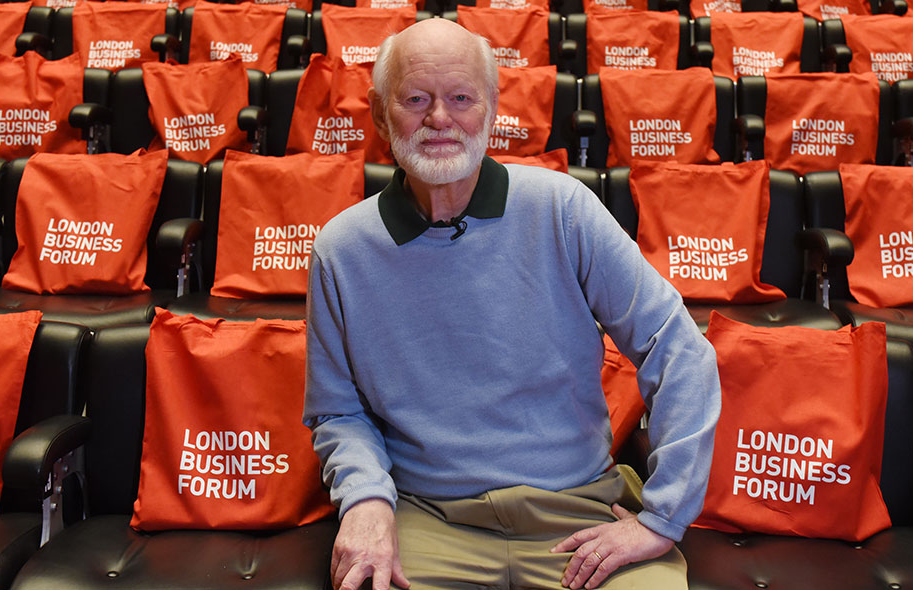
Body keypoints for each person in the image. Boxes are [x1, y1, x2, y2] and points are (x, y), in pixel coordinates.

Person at [304, 18, 721, 590]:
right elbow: (338, 412)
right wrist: (364, 500)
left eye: (460, 98)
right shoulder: (340, 251)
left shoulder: (563, 208)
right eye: (415, 99)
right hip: (429, 517)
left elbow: (678, 349)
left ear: (493, 109)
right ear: (380, 113)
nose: (439, 119)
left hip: (578, 511)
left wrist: (663, 517)